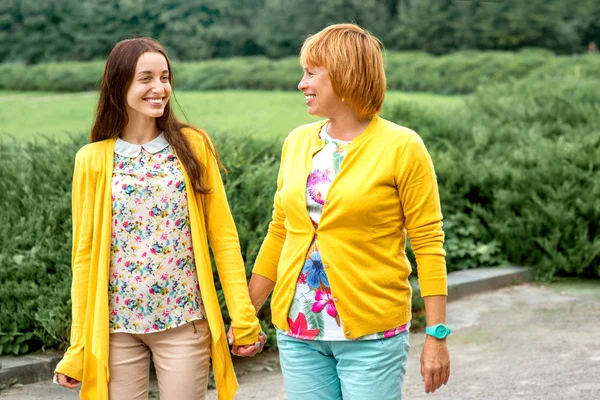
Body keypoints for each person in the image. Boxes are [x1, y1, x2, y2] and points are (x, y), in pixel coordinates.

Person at [244, 24, 451, 399]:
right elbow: (280, 231)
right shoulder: (297, 142)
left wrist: (436, 336)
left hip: (372, 336)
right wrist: (247, 311)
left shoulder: (403, 146)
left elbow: (428, 243)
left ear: (344, 75)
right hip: (299, 330)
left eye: (311, 73)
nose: (301, 84)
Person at [53, 37, 265, 400]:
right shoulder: (92, 160)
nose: (159, 88)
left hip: (184, 323)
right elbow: (84, 257)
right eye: (146, 78)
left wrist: (243, 318)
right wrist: (78, 348)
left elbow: (223, 237)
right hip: (116, 328)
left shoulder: (193, 146)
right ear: (119, 86)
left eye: (164, 77)